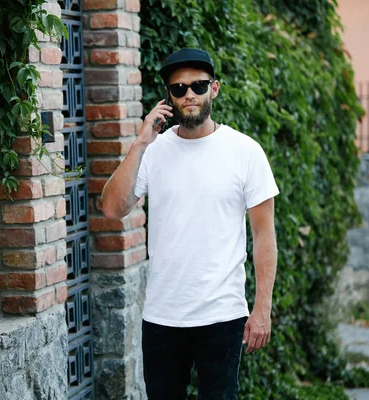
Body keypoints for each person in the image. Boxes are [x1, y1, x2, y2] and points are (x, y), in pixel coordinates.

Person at [100, 48, 279, 400]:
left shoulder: (245, 151)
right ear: (169, 97)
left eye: (197, 85)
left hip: (223, 316)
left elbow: (263, 235)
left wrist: (262, 308)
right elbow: (112, 208)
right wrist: (140, 143)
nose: (189, 95)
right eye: (178, 89)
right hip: (163, 315)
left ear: (214, 88)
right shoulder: (153, 151)